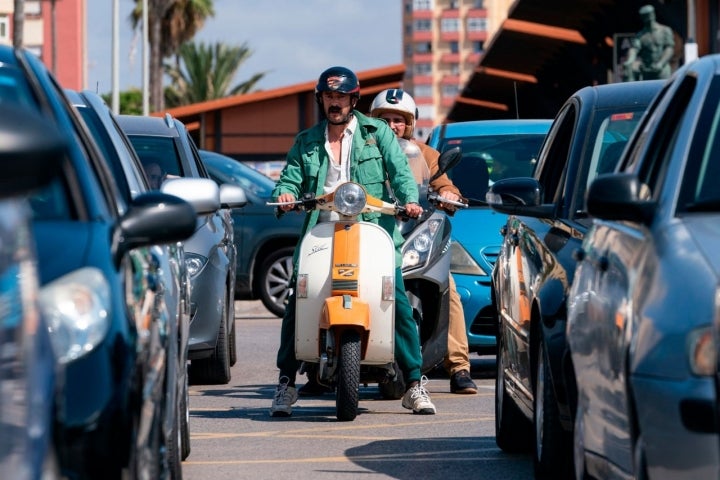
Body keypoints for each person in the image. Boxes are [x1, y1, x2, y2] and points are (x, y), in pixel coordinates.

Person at [269, 66, 437, 417]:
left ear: (353, 100)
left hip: (374, 228)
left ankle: (414, 383)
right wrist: (285, 194)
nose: (335, 103)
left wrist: (409, 200)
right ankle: (286, 383)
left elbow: (400, 173)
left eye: (341, 97)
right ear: (321, 100)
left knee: (397, 298)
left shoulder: (377, 134)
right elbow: (290, 178)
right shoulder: (306, 141)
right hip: (322, 229)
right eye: (329, 97)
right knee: (298, 296)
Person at [370, 88, 478, 395]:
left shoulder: (424, 154)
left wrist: (449, 195)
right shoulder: (360, 153)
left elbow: (445, 183)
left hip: (411, 233)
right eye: (385, 119)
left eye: (399, 120)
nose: (392, 126)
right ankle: (317, 364)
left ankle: (459, 368)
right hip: (373, 235)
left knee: (449, 292)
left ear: (409, 124)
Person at [622, 4, 675, 81]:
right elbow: (634, 49)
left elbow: (669, 49)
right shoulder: (640, 36)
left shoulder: (665, 31)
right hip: (647, 72)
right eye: (646, 18)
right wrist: (630, 60)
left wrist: (661, 63)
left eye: (650, 17)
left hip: (663, 71)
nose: (649, 20)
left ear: (654, 15)